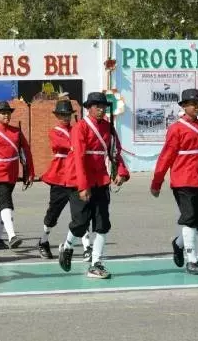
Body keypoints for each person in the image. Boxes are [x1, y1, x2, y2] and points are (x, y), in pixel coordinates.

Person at [58, 92, 130, 279]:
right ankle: (67, 246)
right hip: (78, 179)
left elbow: (115, 152)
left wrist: (121, 171)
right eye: (96, 106)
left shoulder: (108, 127)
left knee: (102, 223)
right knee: (80, 224)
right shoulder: (80, 128)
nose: (100, 109)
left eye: (103, 106)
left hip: (100, 180)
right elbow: (80, 159)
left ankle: (96, 262)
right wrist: (83, 186)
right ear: (88, 107)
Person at [151, 89, 198, 275]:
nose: (196, 106)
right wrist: (157, 182)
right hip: (182, 180)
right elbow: (166, 157)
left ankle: (178, 243)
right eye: (192, 103)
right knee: (189, 218)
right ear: (183, 106)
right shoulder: (176, 129)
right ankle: (192, 260)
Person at [0, 101, 34, 249]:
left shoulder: (16, 131)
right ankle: (12, 236)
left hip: (12, 172)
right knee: (6, 202)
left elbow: (26, 152)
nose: (6, 115)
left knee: (0, 203)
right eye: (3, 113)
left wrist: (29, 172)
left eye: (8, 112)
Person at [38, 100, 76, 259]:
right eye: (62, 114)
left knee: (81, 212)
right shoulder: (55, 131)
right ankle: (43, 240)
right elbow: (67, 144)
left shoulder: (76, 129)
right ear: (57, 115)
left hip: (75, 176)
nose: (65, 117)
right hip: (59, 177)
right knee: (53, 213)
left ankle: (87, 246)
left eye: (67, 114)